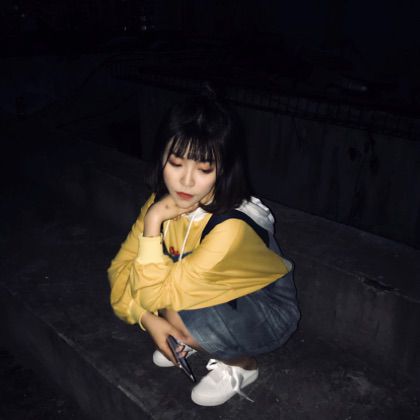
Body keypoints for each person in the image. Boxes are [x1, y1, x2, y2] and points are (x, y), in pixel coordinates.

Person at [107, 88, 300, 406]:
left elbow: (154, 295)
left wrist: (152, 224)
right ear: (161, 157)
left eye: (204, 169)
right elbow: (118, 269)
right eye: (176, 163)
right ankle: (184, 336)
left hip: (267, 310)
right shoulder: (160, 202)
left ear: (223, 169)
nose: (186, 182)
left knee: (171, 309)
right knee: (159, 294)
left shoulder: (230, 228)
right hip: (205, 290)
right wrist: (147, 319)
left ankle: (242, 365)